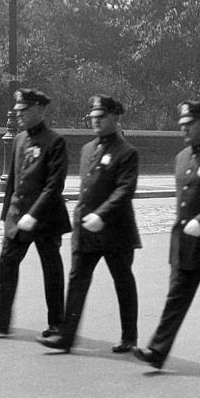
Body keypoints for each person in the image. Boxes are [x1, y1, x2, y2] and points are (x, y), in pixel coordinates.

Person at [132, 100, 200, 369]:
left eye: (189, 124)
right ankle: (157, 352)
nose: (184, 129)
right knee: (175, 299)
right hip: (186, 245)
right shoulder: (181, 158)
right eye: (181, 124)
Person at [37, 94, 140, 354]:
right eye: (93, 117)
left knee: (122, 281)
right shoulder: (87, 149)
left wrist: (102, 215)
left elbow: (124, 190)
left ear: (115, 118)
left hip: (116, 231)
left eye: (101, 116)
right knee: (77, 281)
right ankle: (66, 336)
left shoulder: (127, 153)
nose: (95, 121)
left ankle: (129, 337)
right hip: (86, 230)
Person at [0, 88, 70, 336]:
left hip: (46, 218)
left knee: (51, 270)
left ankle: (57, 322)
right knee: (6, 265)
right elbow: (13, 184)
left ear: (39, 110)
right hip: (18, 217)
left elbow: (54, 185)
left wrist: (34, 214)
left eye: (24, 110)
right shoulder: (18, 140)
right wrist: (7, 215)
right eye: (17, 111)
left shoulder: (55, 142)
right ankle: (1, 320)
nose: (19, 115)